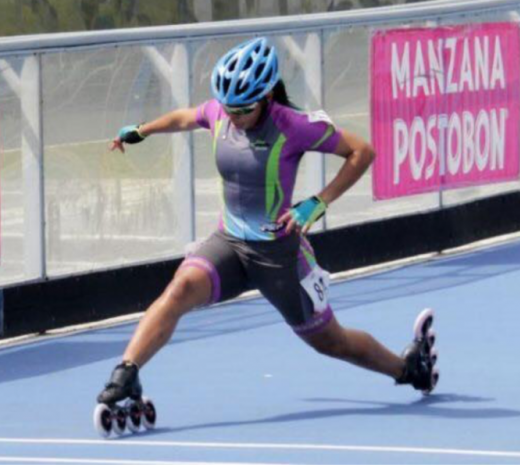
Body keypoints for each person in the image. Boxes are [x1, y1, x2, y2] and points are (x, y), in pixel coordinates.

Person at [95, 37, 438, 431]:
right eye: (228, 107)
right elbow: (185, 117)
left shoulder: (294, 126)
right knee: (179, 289)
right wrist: (141, 131)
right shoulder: (221, 113)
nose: (233, 116)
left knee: (331, 342)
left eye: (244, 109)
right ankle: (127, 372)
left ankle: (408, 367)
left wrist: (319, 201)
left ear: (267, 95)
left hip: (280, 257)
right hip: (229, 244)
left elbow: (362, 152)